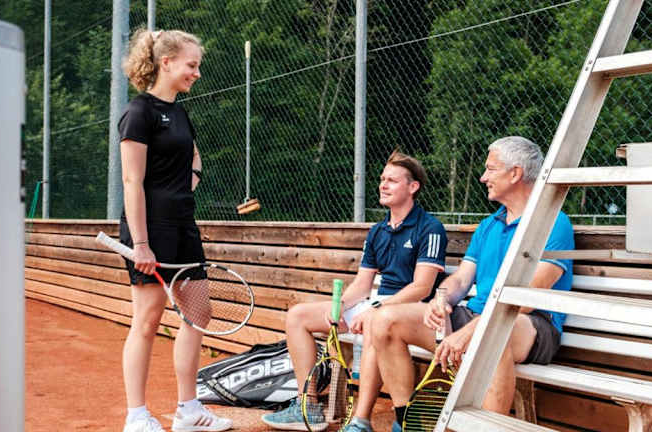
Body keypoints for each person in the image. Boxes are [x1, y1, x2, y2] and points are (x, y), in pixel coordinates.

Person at [372, 136, 575, 431]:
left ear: (515, 173)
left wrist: (469, 332)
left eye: (490, 169)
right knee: (384, 320)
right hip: (476, 316)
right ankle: (407, 424)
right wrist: (441, 299)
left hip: (530, 325)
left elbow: (526, 300)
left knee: (492, 336)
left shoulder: (553, 223)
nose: (483, 177)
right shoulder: (488, 225)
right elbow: (461, 278)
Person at [262, 151, 448, 432]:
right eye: (382, 179)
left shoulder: (430, 228)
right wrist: (339, 307)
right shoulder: (377, 231)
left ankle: (360, 420)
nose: (383, 185)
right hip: (376, 304)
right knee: (298, 315)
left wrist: (376, 309)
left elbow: (421, 288)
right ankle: (307, 405)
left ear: (413, 187)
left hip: (409, 310)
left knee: (375, 322)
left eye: (392, 180)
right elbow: (362, 284)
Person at [117, 28, 232, 432]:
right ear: (166, 63)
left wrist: (187, 184)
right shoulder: (139, 112)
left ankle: (188, 410)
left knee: (198, 313)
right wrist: (142, 243)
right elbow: (131, 181)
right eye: (191, 65)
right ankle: (136, 415)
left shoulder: (180, 113)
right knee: (147, 320)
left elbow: (193, 156)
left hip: (184, 225)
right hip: (150, 230)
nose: (196, 73)